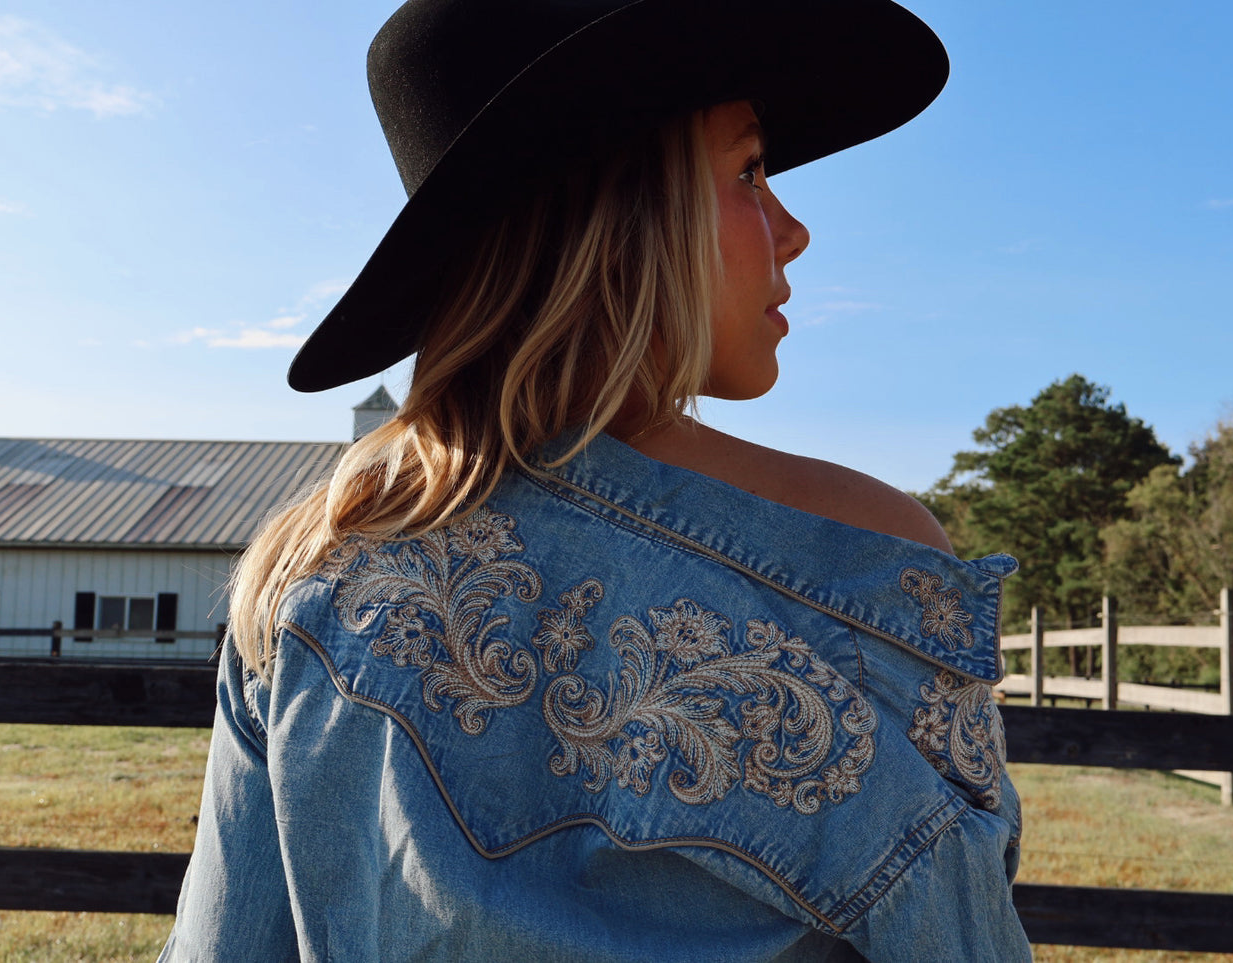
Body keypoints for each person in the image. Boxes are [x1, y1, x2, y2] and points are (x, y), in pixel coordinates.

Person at [159, 1, 1031, 959]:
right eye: (747, 170)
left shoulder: (307, 573)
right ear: (625, 207)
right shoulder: (859, 563)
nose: (792, 229)